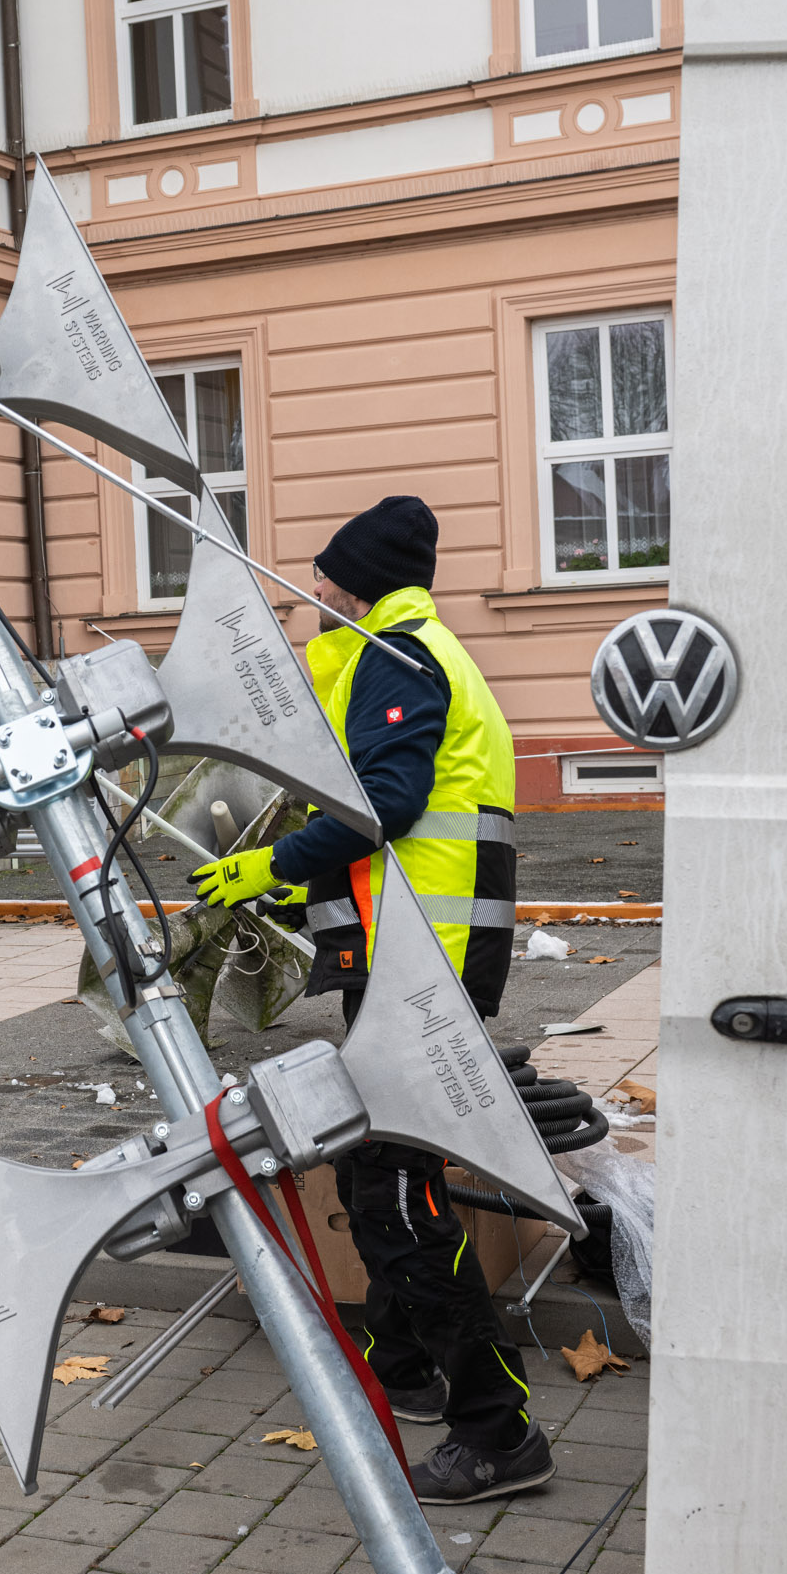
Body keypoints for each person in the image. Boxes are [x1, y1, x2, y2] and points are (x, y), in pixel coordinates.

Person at [190, 494, 553, 1505]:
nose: (310, 591)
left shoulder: (397, 656)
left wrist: (269, 866)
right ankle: (408, 1372)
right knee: (370, 1172)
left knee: (394, 1192)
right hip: (407, 955)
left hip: (417, 960)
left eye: (323, 576)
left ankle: (498, 1431)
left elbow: (381, 806)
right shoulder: (395, 651)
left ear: (361, 580)